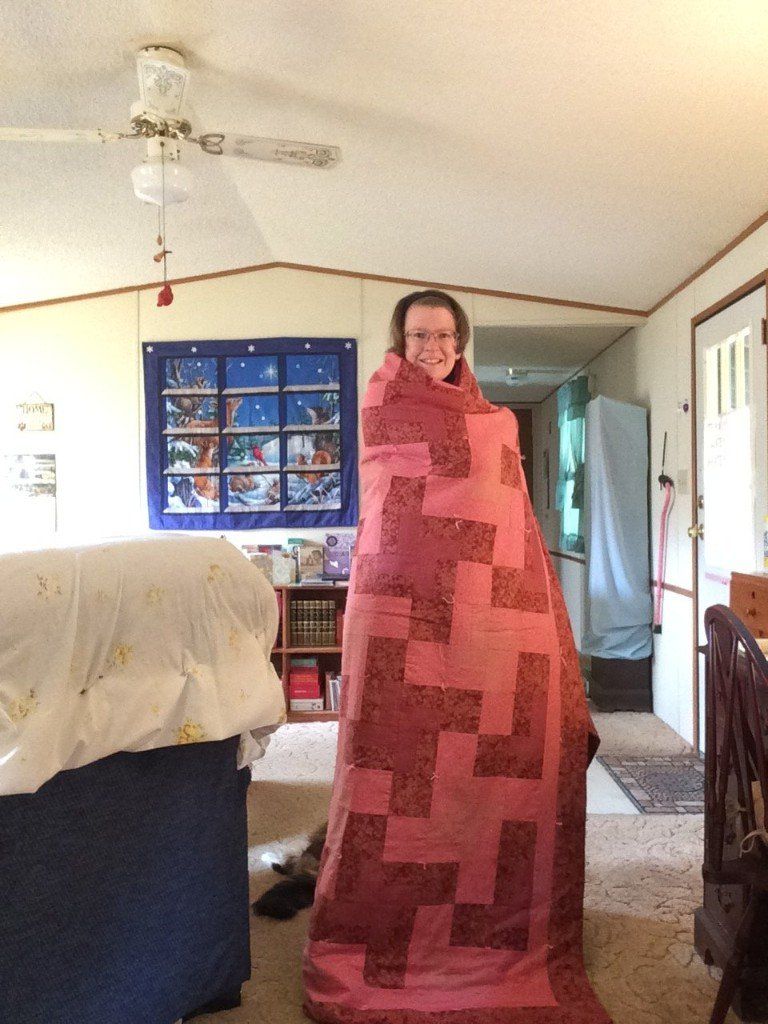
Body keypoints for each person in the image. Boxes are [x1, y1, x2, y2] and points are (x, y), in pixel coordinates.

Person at [303, 289, 610, 1024]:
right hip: (399, 617)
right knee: (392, 770)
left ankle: (493, 929)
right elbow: (388, 517)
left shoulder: (497, 424)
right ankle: (385, 935)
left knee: (504, 759)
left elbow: (513, 533)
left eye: (443, 335)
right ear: (399, 341)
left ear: (461, 341)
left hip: (483, 625)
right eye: (418, 335)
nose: (431, 347)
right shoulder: (381, 410)